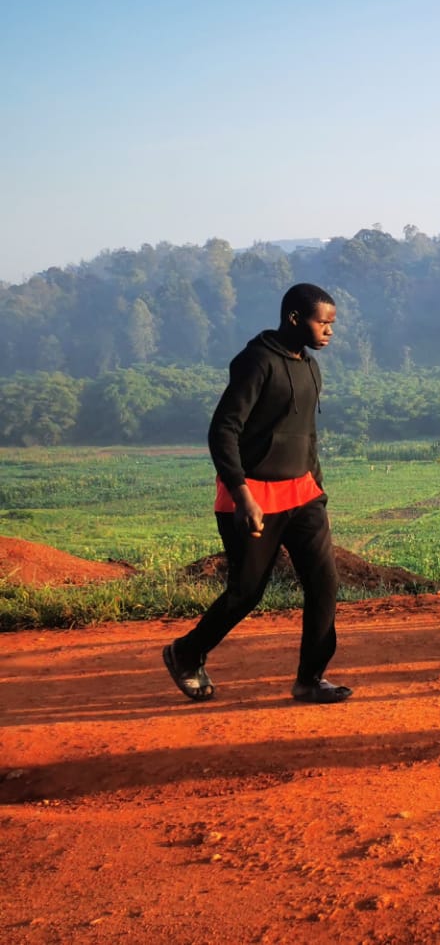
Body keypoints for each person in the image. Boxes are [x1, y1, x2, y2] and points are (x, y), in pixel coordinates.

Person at [162, 283, 352, 704]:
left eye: (332, 324)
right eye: (323, 322)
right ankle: (186, 652)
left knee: (324, 584)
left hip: (303, 493)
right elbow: (223, 430)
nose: (330, 331)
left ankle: (310, 678)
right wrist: (242, 494)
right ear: (295, 319)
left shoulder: (310, 366)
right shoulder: (255, 361)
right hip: (252, 495)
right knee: (247, 592)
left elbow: (307, 436)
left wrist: (318, 492)